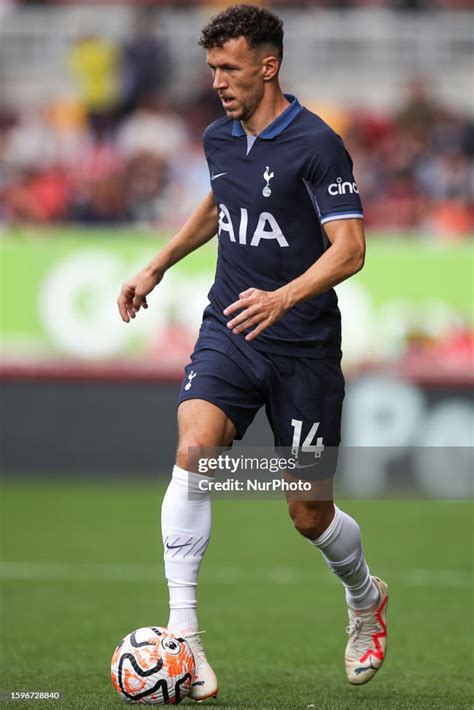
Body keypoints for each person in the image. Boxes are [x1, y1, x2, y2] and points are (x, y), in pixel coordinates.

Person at [117, 4, 388, 701]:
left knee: (308, 514)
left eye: (230, 68)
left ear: (268, 66)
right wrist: (159, 264)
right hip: (232, 328)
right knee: (195, 450)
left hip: (302, 348)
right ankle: (185, 637)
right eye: (212, 69)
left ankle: (364, 597)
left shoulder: (319, 143)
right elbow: (219, 204)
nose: (217, 82)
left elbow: (351, 250)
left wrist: (284, 297)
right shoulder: (218, 137)